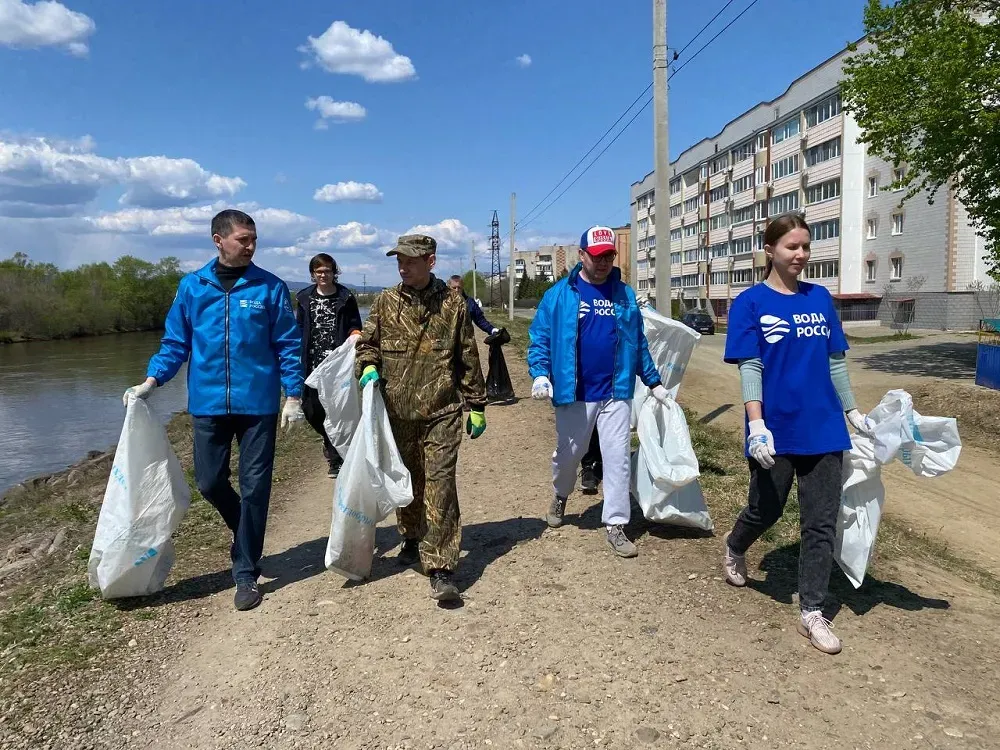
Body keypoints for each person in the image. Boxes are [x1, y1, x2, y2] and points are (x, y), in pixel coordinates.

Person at [123, 209, 304, 612]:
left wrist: (293, 395)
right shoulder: (192, 287)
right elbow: (175, 344)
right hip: (207, 403)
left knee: (256, 487)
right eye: (244, 239)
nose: (251, 246)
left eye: (254, 238)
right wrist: (151, 382)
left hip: (258, 404)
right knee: (208, 482)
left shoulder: (270, 288)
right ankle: (245, 528)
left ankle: (245, 572)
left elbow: (288, 345)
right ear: (218, 239)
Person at [721, 212, 873, 655]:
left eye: (806, 246)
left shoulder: (821, 298)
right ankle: (735, 545)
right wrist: (756, 424)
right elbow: (751, 366)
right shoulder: (749, 304)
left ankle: (812, 611)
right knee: (765, 509)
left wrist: (853, 412)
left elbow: (836, 362)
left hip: (823, 427)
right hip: (775, 427)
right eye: (792, 247)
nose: (801, 254)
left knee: (820, 523)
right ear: (770, 250)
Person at [355, 235, 488, 601]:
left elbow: (467, 354)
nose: (403, 266)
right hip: (398, 413)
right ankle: (411, 536)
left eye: (411, 260)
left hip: (442, 412)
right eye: (399, 260)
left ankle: (442, 567)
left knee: (440, 485)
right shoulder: (385, 301)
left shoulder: (453, 303)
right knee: (408, 481)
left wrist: (476, 404)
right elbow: (367, 344)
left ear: (430, 261)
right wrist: (367, 367)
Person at [527, 225, 671, 558]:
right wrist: (539, 375)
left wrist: (654, 382)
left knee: (618, 458)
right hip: (575, 392)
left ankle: (616, 525)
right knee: (569, 455)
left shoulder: (624, 295)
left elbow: (638, 345)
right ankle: (561, 494)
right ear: (582, 256)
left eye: (609, 256)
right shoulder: (560, 295)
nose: (603, 262)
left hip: (615, 391)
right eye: (597, 256)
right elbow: (541, 339)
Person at [294, 253, 363, 478]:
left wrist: (355, 336)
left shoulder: (345, 296)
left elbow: (355, 325)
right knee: (311, 410)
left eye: (327, 271)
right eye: (319, 271)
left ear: (334, 272)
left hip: (337, 364)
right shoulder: (304, 297)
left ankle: (335, 460)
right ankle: (329, 440)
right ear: (313, 274)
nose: (323, 275)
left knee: (336, 409)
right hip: (311, 362)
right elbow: (299, 328)